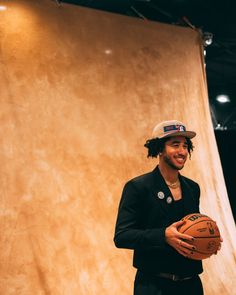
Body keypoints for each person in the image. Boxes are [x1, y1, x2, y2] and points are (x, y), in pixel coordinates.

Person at [114, 120, 211, 295]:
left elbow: (192, 229)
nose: (182, 151)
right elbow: (122, 236)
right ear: (159, 149)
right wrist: (162, 236)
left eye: (185, 145)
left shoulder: (192, 187)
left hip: (191, 285)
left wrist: (208, 240)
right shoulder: (138, 187)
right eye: (175, 145)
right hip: (154, 285)